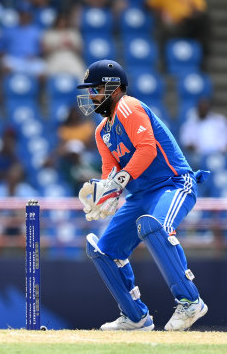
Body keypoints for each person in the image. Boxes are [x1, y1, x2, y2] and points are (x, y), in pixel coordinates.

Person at [76, 59, 209, 331]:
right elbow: (109, 171)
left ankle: (190, 301)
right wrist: (106, 194)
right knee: (104, 250)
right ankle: (135, 317)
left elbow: (146, 149)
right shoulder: (102, 131)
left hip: (173, 183)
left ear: (114, 88)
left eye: (96, 89)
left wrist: (119, 182)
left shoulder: (129, 106)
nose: (91, 96)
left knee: (154, 224)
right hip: (140, 196)